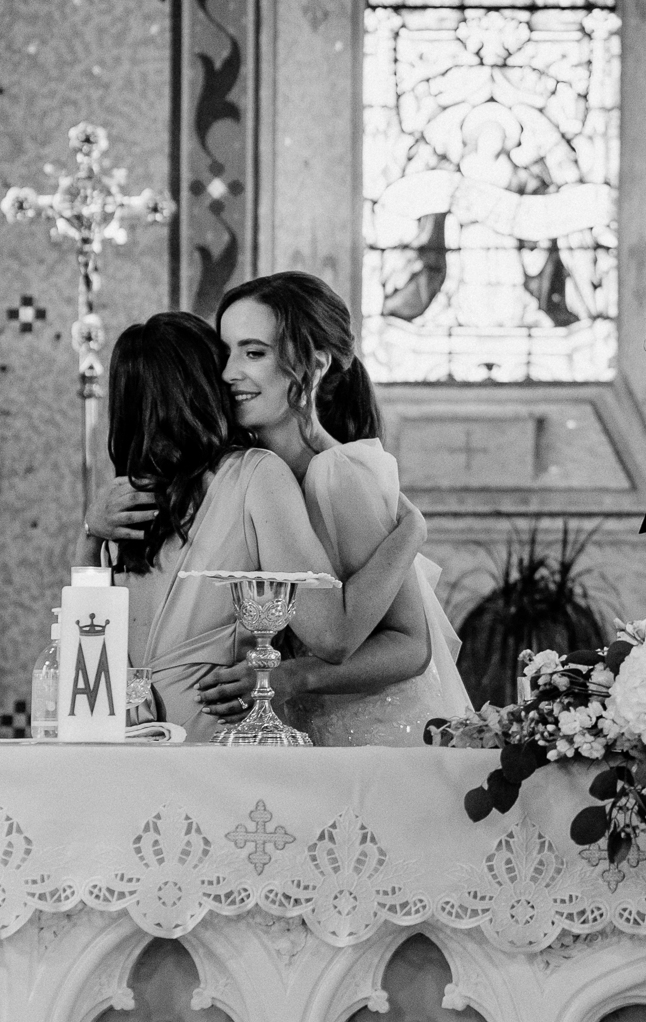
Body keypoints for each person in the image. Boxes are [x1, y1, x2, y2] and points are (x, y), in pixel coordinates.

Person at [78, 312, 425, 742]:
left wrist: (89, 533)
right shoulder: (255, 474)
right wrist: (412, 529)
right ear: (204, 385)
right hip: (215, 737)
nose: (231, 375)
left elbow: (83, 640)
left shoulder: (114, 506)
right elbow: (334, 635)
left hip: (119, 740)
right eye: (223, 363)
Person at [200, 272, 472, 744]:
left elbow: (410, 645)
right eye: (225, 353)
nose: (228, 372)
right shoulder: (242, 473)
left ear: (315, 364)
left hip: (372, 733)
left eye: (254, 353)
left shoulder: (337, 475)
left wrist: (291, 677)